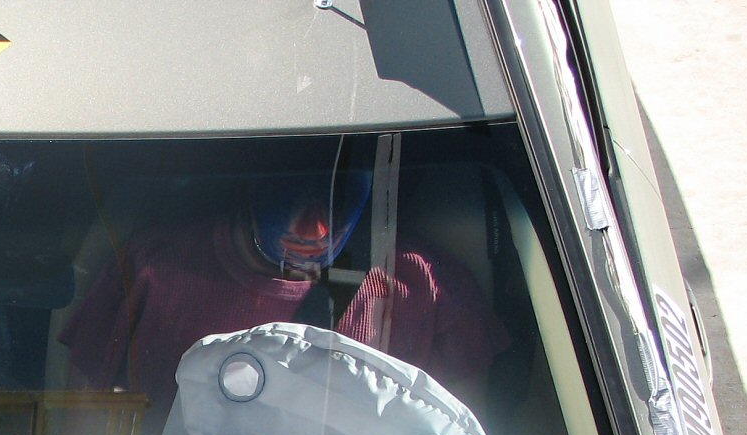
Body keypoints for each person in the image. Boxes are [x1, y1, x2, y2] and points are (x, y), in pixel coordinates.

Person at [58, 169, 511, 417]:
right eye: (293, 185)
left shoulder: (429, 288)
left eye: (338, 189)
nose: (314, 229)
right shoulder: (151, 268)